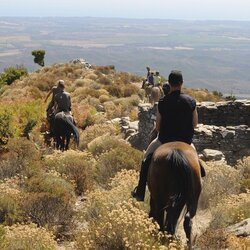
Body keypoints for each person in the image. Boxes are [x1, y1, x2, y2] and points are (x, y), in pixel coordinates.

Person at [131, 70, 205, 202]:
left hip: (163, 141)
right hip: (185, 141)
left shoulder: (163, 102)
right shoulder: (191, 101)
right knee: (198, 164)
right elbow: (195, 124)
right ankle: (196, 190)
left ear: (169, 84)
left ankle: (140, 190)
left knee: (146, 159)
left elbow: (158, 127)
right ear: (182, 83)